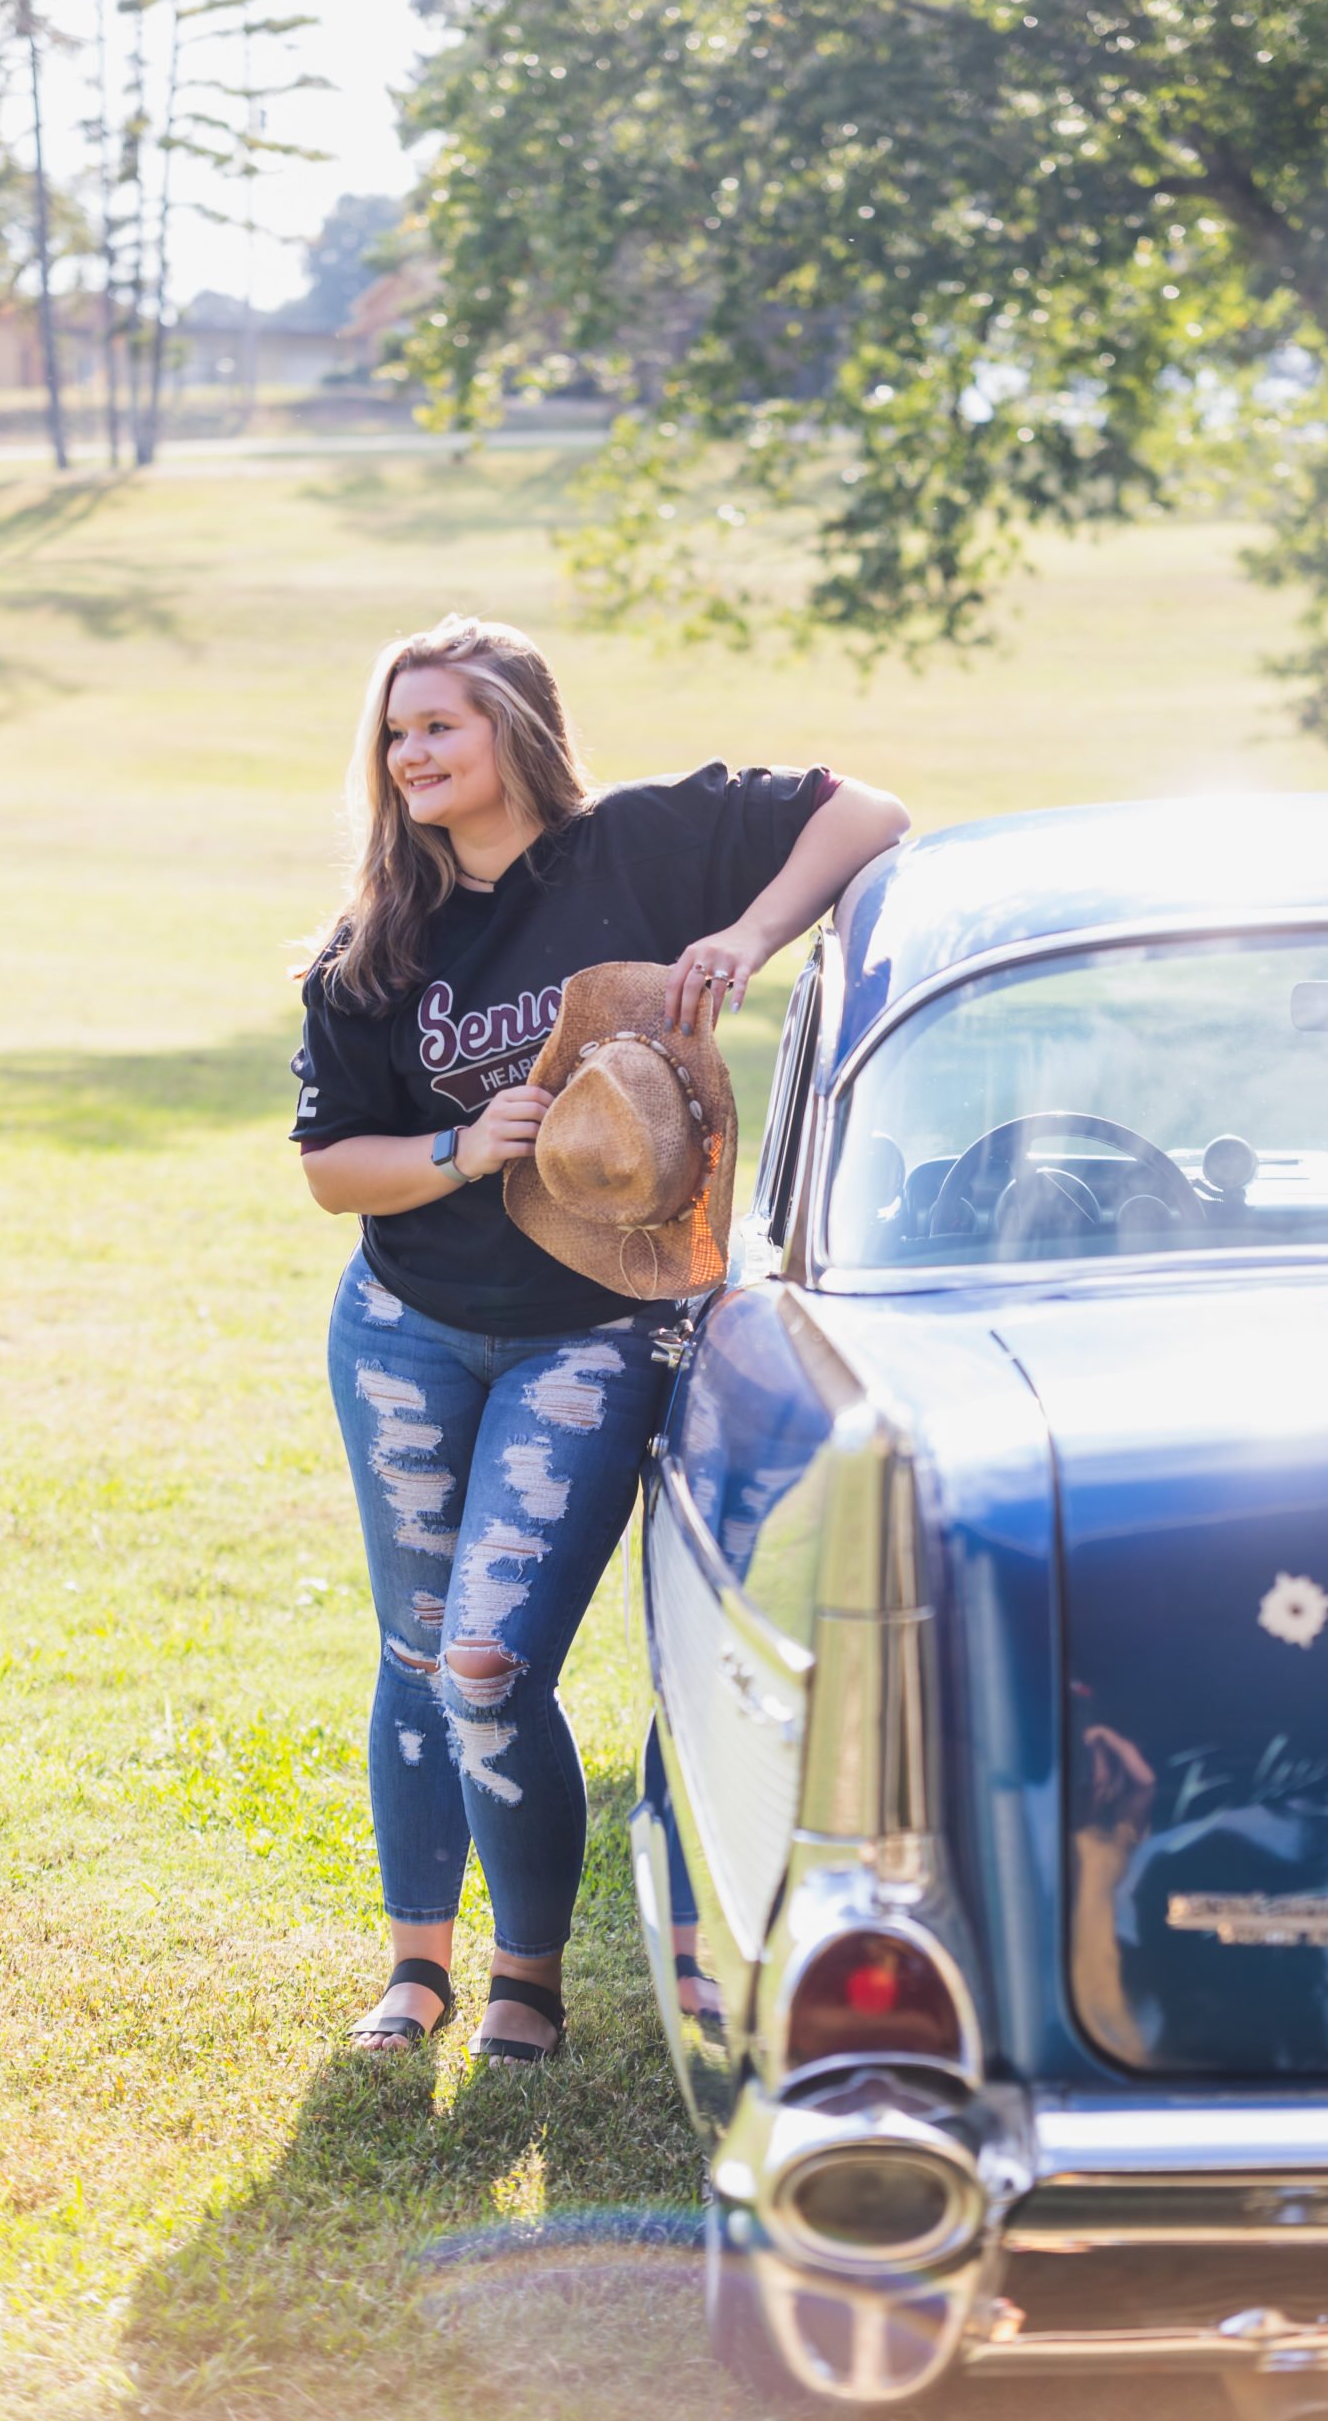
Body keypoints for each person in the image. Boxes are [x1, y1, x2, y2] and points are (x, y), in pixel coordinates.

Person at [292, 614, 909, 2063]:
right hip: (406, 1328)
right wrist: (459, 1148)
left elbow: (868, 817)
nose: (413, 755)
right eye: (396, 734)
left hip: (596, 1329)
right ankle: (419, 1967)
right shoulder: (378, 942)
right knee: (417, 1647)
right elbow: (333, 1169)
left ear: (514, 724)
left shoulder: (641, 846)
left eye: (438, 723)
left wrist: (749, 935)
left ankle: (533, 1971)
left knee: (492, 1660)